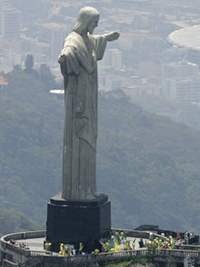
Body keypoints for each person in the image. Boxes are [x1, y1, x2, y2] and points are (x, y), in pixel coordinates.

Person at [59, 6, 119, 200]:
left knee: (89, 142)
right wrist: (65, 56)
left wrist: (106, 38)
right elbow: (68, 50)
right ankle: (77, 191)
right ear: (85, 21)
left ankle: (87, 189)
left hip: (89, 97)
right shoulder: (73, 39)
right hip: (79, 101)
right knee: (79, 141)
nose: (96, 26)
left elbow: (91, 41)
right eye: (94, 23)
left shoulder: (85, 39)